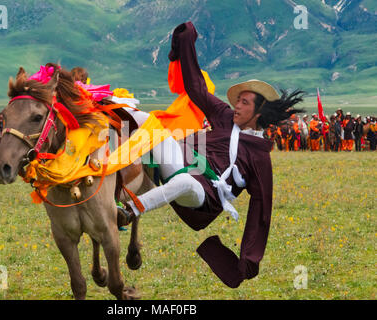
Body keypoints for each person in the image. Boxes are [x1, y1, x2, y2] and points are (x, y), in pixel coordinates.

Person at [117, 22, 305, 288]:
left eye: (244, 102)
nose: (236, 105)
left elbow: (261, 211)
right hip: (181, 163)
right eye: (237, 100)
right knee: (146, 120)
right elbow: (197, 89)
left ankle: (128, 212)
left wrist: (248, 261)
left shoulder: (260, 158)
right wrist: (186, 43)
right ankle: (97, 173)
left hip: (203, 199)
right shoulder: (225, 116)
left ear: (258, 113)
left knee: (183, 183)